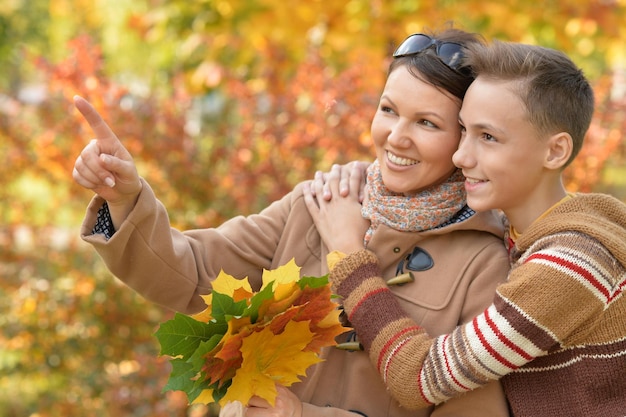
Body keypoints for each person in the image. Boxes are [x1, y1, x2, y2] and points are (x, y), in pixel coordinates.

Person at [72, 28, 513, 417]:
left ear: (466, 138)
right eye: (388, 110)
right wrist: (126, 197)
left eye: (427, 123)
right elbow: (192, 274)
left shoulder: (484, 261)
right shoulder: (319, 201)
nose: (396, 136)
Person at [306, 40, 626, 416]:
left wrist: (348, 255)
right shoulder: (530, 231)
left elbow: (420, 380)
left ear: (554, 152)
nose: (461, 156)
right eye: (462, 131)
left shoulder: (571, 265)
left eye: (488, 137)